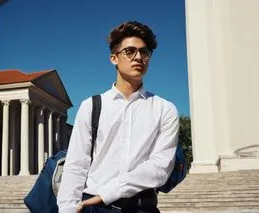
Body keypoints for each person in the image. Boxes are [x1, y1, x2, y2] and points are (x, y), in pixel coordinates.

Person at [56, 21, 179, 213]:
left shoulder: (165, 109)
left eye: (144, 52)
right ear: (114, 58)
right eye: (129, 51)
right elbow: (76, 165)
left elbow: (160, 167)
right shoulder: (92, 106)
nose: (138, 57)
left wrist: (109, 192)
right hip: (94, 207)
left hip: (141, 207)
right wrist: (67, 209)